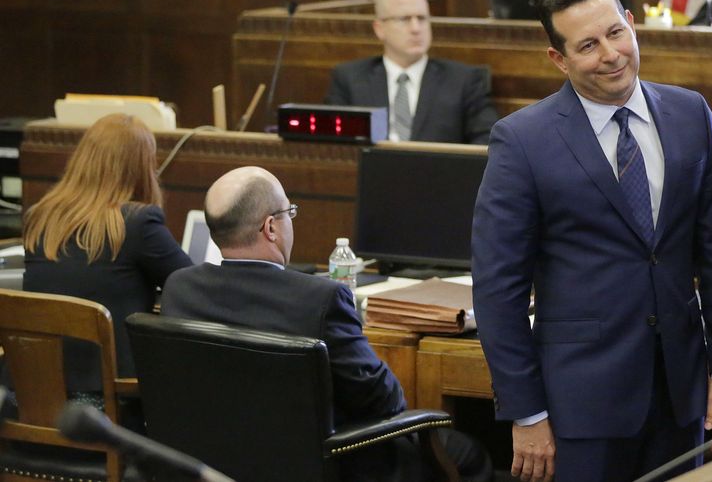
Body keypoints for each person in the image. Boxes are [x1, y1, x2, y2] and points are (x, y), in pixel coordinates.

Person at [471, 0, 712, 482]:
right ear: (559, 58)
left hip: (682, 393)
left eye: (615, 33)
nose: (610, 54)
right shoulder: (522, 141)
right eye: (587, 45)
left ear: (632, 23)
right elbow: (497, 290)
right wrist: (526, 413)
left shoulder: (692, 115)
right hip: (579, 407)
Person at [161, 166, 491, 482]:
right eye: (289, 213)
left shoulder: (179, 289)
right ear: (271, 228)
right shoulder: (320, 299)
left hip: (215, 461)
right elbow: (382, 401)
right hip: (325, 465)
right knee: (469, 456)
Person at [21, 113, 192, 396]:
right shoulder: (139, 223)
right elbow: (191, 287)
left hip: (31, 401)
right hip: (107, 411)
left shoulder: (40, 217)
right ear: (141, 168)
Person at [325, 0, 498, 144]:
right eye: (404, 19)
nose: (416, 29)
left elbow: (487, 140)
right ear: (379, 29)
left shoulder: (463, 80)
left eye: (422, 18)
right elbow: (333, 144)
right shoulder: (350, 79)